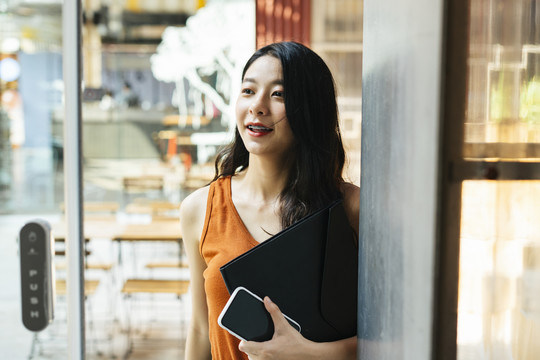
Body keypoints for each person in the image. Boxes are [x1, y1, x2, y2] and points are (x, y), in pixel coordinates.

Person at [180, 41, 359, 360]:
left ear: (311, 109)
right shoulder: (200, 208)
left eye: (279, 94)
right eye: (248, 91)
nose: (258, 106)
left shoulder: (351, 209)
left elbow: (391, 338)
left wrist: (307, 352)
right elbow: (198, 327)